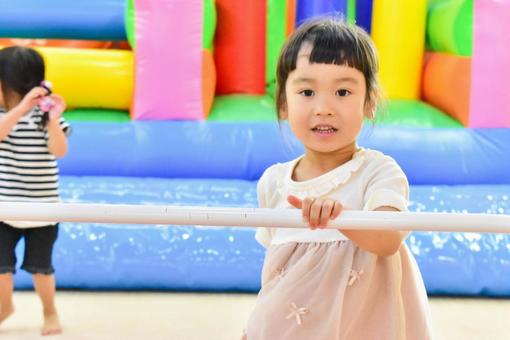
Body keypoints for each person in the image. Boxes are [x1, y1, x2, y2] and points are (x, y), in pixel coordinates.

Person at [243, 19, 433, 339]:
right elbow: (278, 273)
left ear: (369, 102)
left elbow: (388, 241)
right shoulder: (274, 182)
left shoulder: (378, 172)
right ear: (283, 104)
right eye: (306, 91)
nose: (324, 108)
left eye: (342, 91)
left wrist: (340, 217)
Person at [0, 46, 70, 336]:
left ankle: (50, 311)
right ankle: (5, 307)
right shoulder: (6, 116)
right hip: (4, 209)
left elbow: (60, 151)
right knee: (1, 268)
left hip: (43, 209)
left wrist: (52, 118)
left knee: (42, 269)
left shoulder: (44, 118)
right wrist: (20, 108)